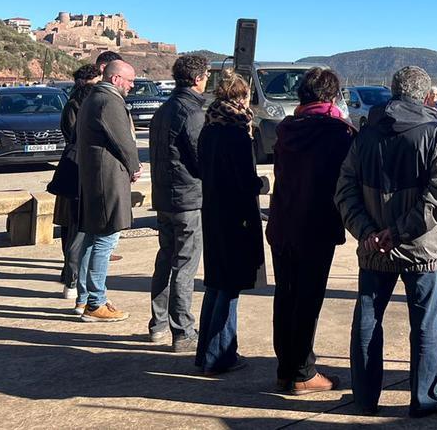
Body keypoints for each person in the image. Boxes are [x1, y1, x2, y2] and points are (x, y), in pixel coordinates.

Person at [335, 65, 437, 418]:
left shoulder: (366, 133)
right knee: (426, 323)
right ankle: (425, 398)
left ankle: (364, 398)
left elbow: (344, 189)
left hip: (375, 246)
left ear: (393, 91)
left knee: (368, 319)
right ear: (424, 95)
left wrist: (367, 232)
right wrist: (399, 231)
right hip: (422, 246)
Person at [266, 67, 354, 394]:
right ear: (331, 96)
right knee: (308, 298)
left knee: (285, 294)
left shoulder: (286, 128)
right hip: (316, 224)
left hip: (283, 222)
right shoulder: (338, 132)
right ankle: (303, 372)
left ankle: (285, 368)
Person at [194, 70, 266, 376]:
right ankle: (219, 354)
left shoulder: (208, 129)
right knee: (229, 286)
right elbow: (243, 180)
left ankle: (206, 353)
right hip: (235, 216)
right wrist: (260, 183)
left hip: (212, 210)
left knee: (215, 283)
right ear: (241, 97)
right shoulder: (236, 132)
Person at [147, 55, 209, 351]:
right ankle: (182, 330)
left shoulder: (164, 109)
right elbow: (202, 158)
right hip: (186, 199)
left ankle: (158, 324)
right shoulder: (192, 112)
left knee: (166, 259)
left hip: (164, 196)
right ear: (199, 78)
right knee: (184, 264)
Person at [75, 59, 141, 322]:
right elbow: (123, 140)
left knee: (93, 238)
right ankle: (95, 302)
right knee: (106, 239)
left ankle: (85, 298)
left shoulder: (93, 97)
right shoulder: (110, 101)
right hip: (107, 177)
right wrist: (134, 166)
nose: (132, 86)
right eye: (130, 81)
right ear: (116, 80)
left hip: (95, 175)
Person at [48, 63, 101, 309]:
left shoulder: (73, 103)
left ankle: (71, 279)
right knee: (78, 230)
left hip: (71, 169)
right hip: (80, 170)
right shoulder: (88, 103)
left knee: (73, 228)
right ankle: (73, 280)